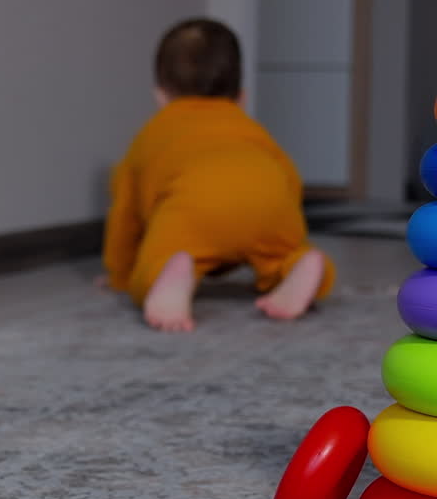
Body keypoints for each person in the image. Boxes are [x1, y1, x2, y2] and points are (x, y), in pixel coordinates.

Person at [101, 18, 335, 332]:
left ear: (160, 95)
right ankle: (298, 266)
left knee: (154, 266)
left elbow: (125, 215)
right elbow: (288, 180)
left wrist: (120, 275)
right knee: (282, 255)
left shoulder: (152, 135)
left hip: (192, 213)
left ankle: (171, 274)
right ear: (241, 96)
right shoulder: (251, 130)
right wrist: (291, 233)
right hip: (266, 206)